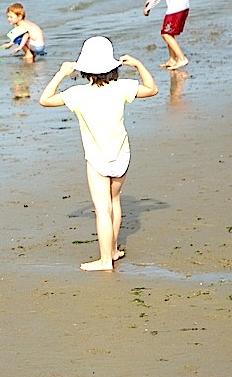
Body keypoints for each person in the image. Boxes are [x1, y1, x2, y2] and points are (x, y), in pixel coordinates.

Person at [39, 36, 157, 271]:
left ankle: (105, 261)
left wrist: (62, 73)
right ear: (112, 66)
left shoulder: (77, 94)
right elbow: (152, 89)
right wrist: (138, 65)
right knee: (115, 201)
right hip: (121, 155)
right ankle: (112, 250)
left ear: (84, 69)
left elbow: (45, 99)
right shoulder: (122, 87)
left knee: (102, 210)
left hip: (97, 158)